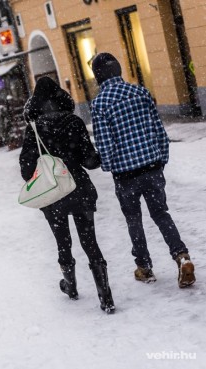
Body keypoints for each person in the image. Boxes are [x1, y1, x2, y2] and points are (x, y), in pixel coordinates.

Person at [91, 52, 195, 288]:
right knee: (161, 214)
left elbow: (105, 145)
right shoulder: (140, 92)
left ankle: (144, 267)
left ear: (98, 76)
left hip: (126, 175)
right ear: (118, 70)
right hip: (152, 167)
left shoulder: (100, 104)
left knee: (134, 220)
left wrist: (108, 165)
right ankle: (182, 256)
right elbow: (160, 131)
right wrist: (161, 161)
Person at [19, 76, 115, 313]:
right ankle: (106, 296)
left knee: (63, 242)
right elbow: (90, 161)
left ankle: (70, 286)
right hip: (79, 188)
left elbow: (25, 170)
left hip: (53, 194)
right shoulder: (74, 122)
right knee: (90, 241)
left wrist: (45, 161)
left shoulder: (34, 128)